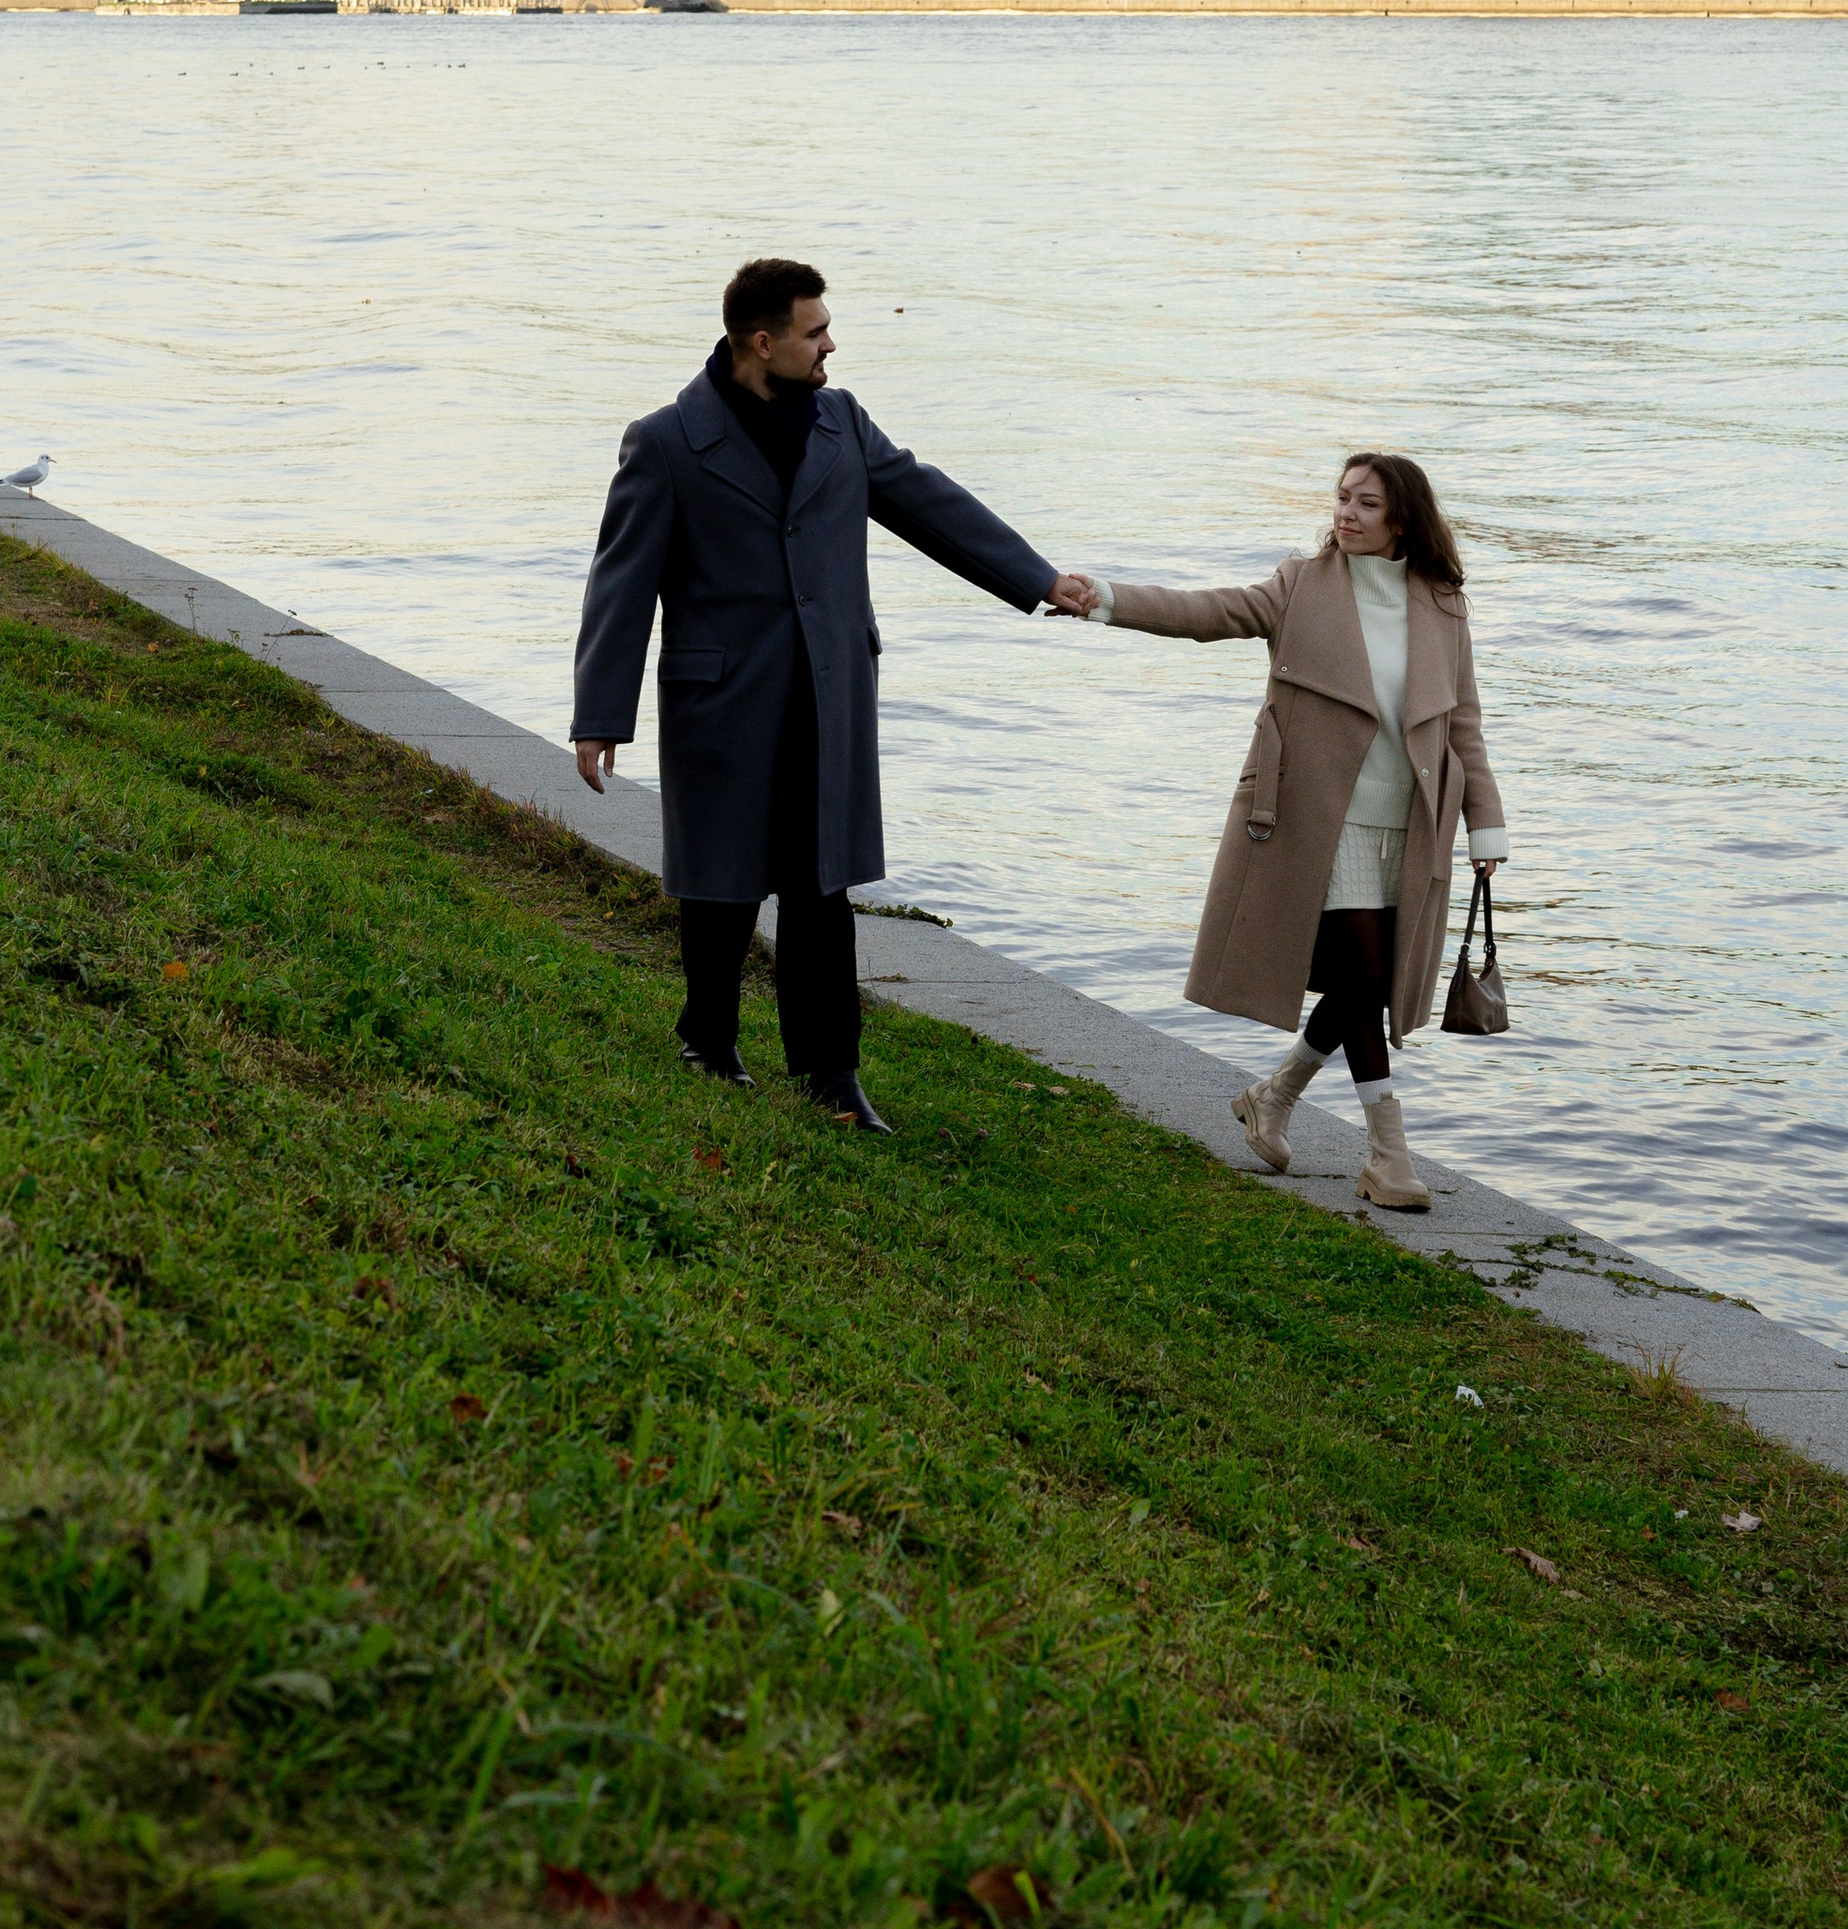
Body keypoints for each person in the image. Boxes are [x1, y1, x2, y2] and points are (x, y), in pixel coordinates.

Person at [571, 259, 1083, 1131]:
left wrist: (1035, 578)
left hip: (829, 691)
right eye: (814, 332)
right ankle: (708, 1038)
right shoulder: (663, 442)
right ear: (761, 342)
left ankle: (830, 1074)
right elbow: (621, 583)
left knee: (820, 888)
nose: (830, 345)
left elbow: (928, 503)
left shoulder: (841, 420)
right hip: (721, 696)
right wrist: (600, 715)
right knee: (723, 885)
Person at [1073, 454, 1505, 1213]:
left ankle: (1272, 1098)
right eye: (1342, 499)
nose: (1347, 513)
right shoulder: (1302, 585)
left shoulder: (1442, 603)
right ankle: (1387, 1153)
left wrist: (1486, 825)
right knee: (1365, 977)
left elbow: (1462, 722)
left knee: (1358, 983)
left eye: (1366, 504)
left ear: (1401, 517)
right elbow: (1208, 613)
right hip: (1317, 821)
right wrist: (1104, 598)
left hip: (1408, 823)